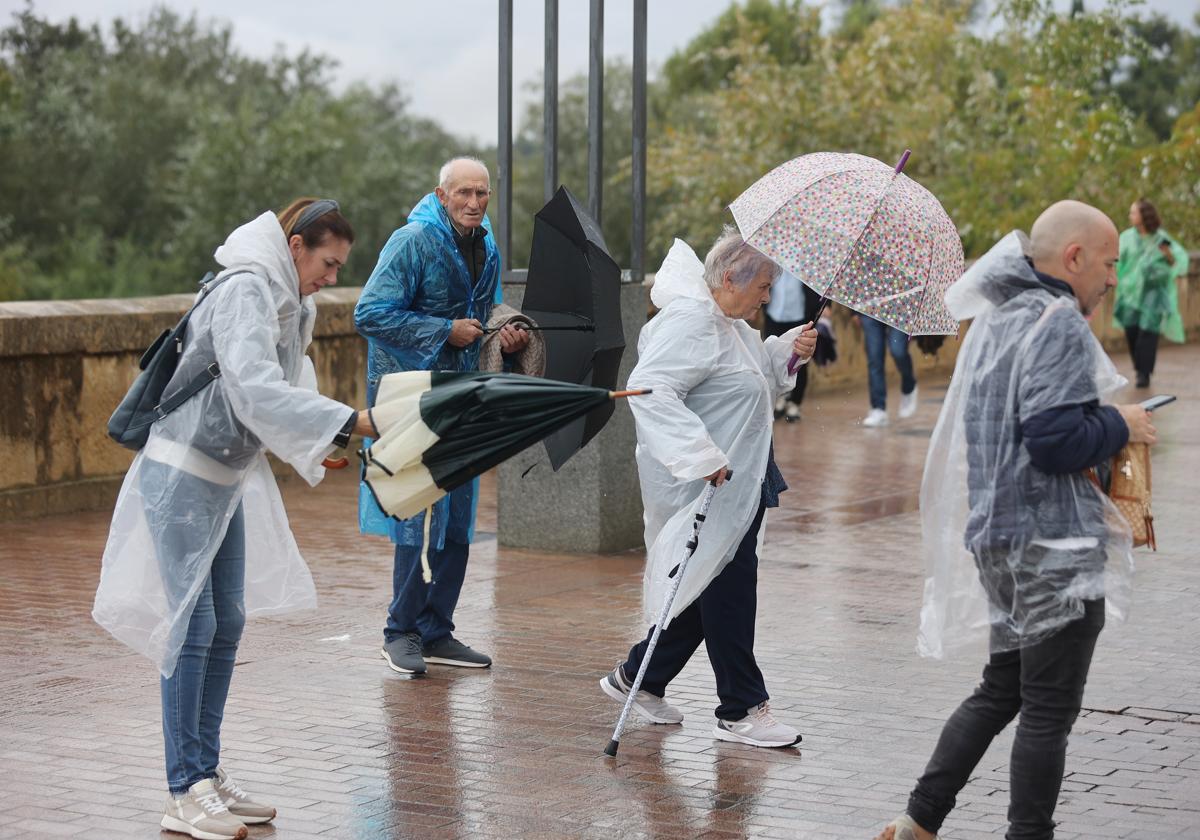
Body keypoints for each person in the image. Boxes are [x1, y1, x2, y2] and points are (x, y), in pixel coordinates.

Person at [93, 199, 376, 840]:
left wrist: (321, 443)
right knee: (192, 625)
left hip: (223, 474)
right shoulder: (248, 287)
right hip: (183, 470)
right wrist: (345, 423)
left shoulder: (288, 296)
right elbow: (253, 386)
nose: (331, 277)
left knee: (227, 620)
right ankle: (183, 788)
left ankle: (206, 775)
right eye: (328, 263)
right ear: (296, 245)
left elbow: (284, 381)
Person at [877, 201, 1158, 840]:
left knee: (1001, 689)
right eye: (1109, 263)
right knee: (1047, 711)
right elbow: (1053, 439)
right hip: (1053, 545)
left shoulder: (1000, 316)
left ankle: (919, 819)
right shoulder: (1056, 321)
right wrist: (1122, 423)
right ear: (1074, 257)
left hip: (1000, 539)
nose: (1113, 278)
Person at [598, 229, 817, 748]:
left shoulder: (728, 323)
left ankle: (639, 676)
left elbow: (747, 374)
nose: (768, 296)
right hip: (712, 479)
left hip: (741, 471)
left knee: (707, 583)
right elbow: (650, 393)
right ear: (727, 278)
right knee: (730, 587)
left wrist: (788, 352)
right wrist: (699, 457)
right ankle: (742, 707)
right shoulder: (692, 322)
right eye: (764, 285)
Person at [355, 157, 528, 676]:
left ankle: (436, 629)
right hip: (412, 395)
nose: (474, 203)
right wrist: (442, 331)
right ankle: (399, 630)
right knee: (417, 507)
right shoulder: (412, 241)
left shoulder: (487, 245)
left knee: (459, 510)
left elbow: (489, 309)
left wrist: (507, 333)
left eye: (482, 194)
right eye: (464, 194)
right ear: (442, 193)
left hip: (464, 393)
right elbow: (370, 313)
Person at [1112, 197, 1190, 388]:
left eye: (1133, 212)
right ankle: (1140, 367)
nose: (1130, 215)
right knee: (1131, 331)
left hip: (1153, 295)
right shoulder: (1126, 237)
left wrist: (1167, 255)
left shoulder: (1161, 238)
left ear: (1144, 215)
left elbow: (1178, 261)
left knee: (1148, 333)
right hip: (1129, 294)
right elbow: (1116, 261)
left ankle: (1143, 374)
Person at [761, 269, 822, 421]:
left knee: (800, 359)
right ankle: (779, 399)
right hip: (774, 314)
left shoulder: (808, 264)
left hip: (799, 315)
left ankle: (795, 402)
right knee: (771, 357)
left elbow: (817, 287)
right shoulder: (772, 263)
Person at [859, 312, 918, 427]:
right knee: (874, 358)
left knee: (898, 351)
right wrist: (854, 312)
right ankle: (878, 408)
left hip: (901, 306)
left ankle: (909, 386)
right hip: (871, 305)